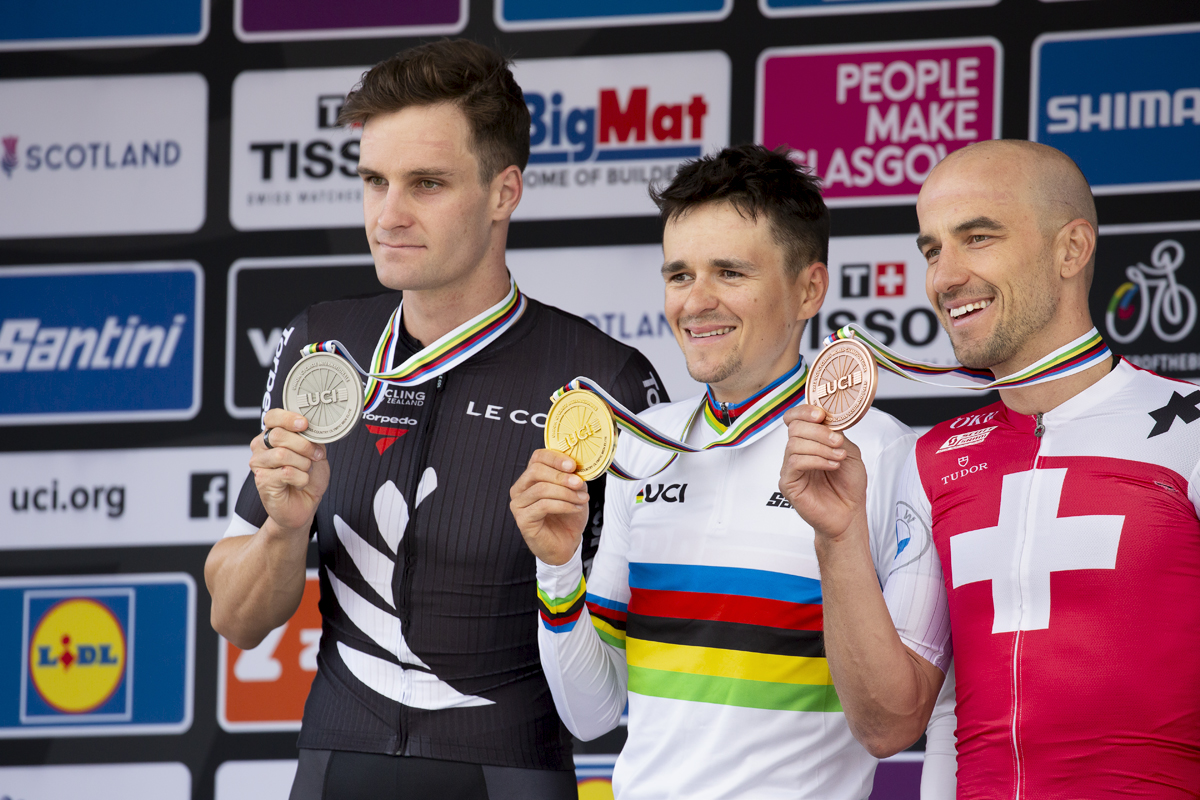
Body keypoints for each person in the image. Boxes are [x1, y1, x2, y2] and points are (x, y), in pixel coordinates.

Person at [204, 39, 667, 800]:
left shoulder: (604, 381)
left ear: (503, 192)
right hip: (334, 771)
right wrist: (286, 530)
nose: (389, 215)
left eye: (426, 184)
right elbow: (236, 619)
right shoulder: (318, 346)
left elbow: (621, 686)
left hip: (508, 772)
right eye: (373, 181)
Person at [779, 139, 1200, 797]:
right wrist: (837, 539)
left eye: (978, 237)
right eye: (932, 249)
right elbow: (887, 724)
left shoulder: (1191, 428)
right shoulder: (930, 459)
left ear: (1071, 249)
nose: (944, 278)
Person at [509, 144, 918, 799]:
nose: (696, 302)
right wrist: (558, 569)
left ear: (809, 288)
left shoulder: (879, 452)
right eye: (679, 275)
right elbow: (590, 715)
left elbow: (897, 718)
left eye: (729, 272)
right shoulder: (642, 446)